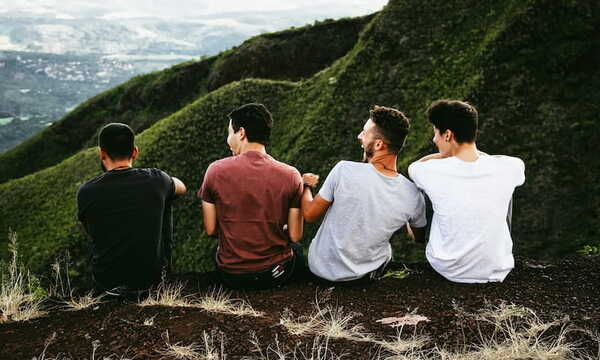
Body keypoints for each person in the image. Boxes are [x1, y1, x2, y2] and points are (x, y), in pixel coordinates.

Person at [302, 105, 427, 284]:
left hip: (320, 270)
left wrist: (305, 185)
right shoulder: (413, 195)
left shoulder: (343, 170)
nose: (359, 136)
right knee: (387, 251)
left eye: (364, 132)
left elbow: (309, 214)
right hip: (364, 277)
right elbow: (418, 237)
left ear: (378, 144)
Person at [408, 99, 525, 283]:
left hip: (448, 268)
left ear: (447, 135)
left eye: (436, 134)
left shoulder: (427, 170)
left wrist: (445, 155)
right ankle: (489, 251)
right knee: (503, 191)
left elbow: (414, 166)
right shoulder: (511, 167)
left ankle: (423, 241)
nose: (434, 140)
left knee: (425, 192)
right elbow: (503, 160)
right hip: (497, 269)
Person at [199, 103, 304, 290]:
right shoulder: (291, 175)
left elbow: (211, 230)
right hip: (274, 274)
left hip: (232, 275)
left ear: (241, 133)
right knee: (297, 250)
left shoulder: (215, 171)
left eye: (229, 133)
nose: (228, 139)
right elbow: (295, 235)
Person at [77, 123, 186, 293]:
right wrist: (163, 183)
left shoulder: (86, 191)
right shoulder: (156, 180)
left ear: (102, 154)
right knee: (167, 197)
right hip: (151, 281)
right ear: (135, 151)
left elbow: (90, 231)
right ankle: (164, 273)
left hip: (106, 282)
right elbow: (181, 187)